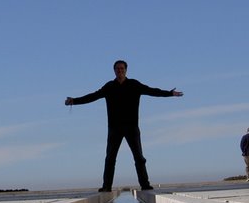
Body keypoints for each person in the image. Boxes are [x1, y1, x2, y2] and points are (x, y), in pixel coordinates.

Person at [65, 60, 183, 191]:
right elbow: (93, 96)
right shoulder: (109, 87)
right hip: (114, 128)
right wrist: (74, 101)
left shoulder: (134, 84)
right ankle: (106, 187)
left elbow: (152, 91)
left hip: (132, 127)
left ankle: (145, 185)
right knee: (110, 158)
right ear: (114, 71)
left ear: (126, 70)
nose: (119, 71)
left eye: (122, 68)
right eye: (117, 69)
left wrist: (169, 93)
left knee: (139, 157)